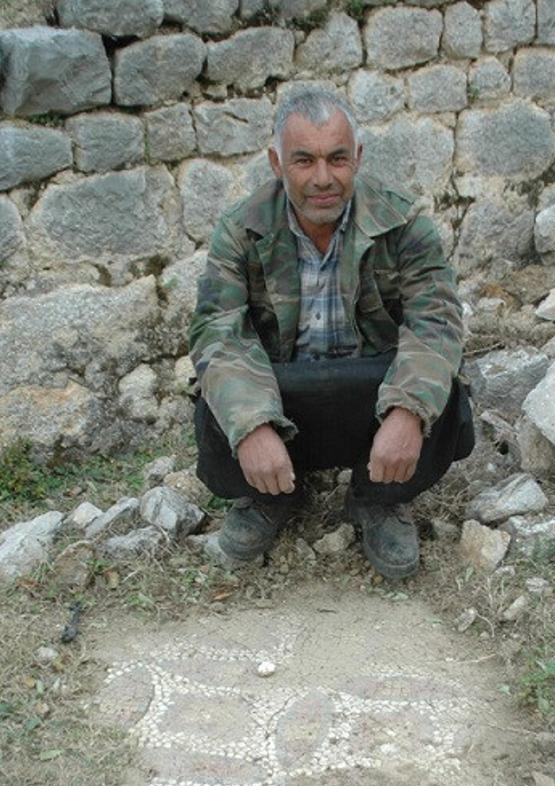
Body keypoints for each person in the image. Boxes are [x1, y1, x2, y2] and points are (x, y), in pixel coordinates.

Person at [189, 87, 473, 580]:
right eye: (304, 161)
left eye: (337, 159)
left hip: (371, 395)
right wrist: (253, 425)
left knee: (440, 394)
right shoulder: (241, 228)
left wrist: (408, 411)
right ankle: (274, 496)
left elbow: (437, 322)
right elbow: (218, 332)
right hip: (284, 395)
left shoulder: (404, 225)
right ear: (277, 163)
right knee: (217, 401)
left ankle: (377, 498)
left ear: (357, 158)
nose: (323, 179)